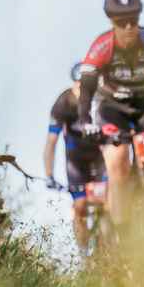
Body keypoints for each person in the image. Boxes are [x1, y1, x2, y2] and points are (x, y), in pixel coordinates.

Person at [77, 0, 144, 232]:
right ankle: (123, 234)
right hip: (112, 108)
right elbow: (85, 91)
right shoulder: (101, 47)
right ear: (112, 22)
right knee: (118, 162)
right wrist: (85, 121)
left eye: (134, 20)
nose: (129, 27)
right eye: (121, 22)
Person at [44, 62, 108, 252]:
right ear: (73, 84)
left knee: (108, 204)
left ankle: (110, 248)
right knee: (79, 206)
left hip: (99, 157)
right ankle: (83, 254)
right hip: (76, 161)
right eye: (80, 85)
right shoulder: (63, 103)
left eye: (88, 85)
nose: (84, 90)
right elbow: (51, 143)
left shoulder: (101, 99)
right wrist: (49, 175)